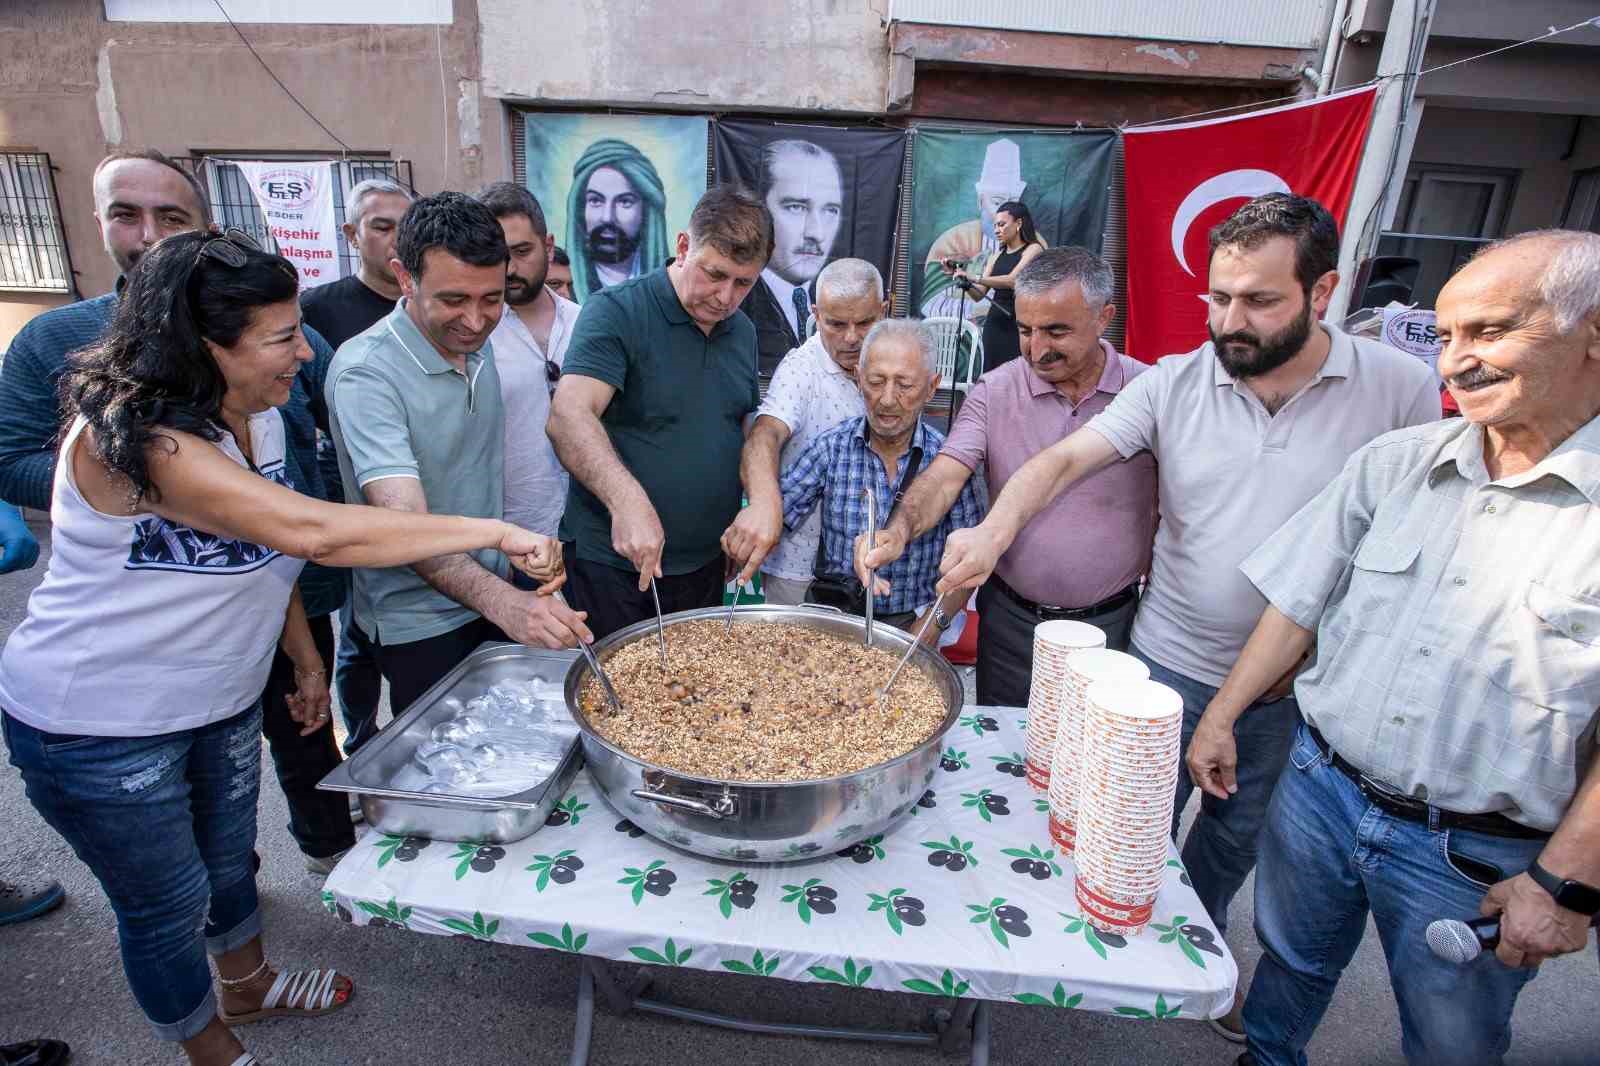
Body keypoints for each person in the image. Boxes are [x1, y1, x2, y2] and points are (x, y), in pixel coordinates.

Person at [0, 229, 566, 1066]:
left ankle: (248, 984)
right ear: (203, 346)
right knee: (164, 906)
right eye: (281, 338)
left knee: (229, 867)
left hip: (219, 697)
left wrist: (302, 654)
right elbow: (311, 530)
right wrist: (496, 531)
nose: (305, 352)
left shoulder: (254, 421)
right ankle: (209, 1049)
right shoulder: (139, 440)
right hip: (99, 721)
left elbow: (271, 554)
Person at [935, 193, 1440, 1040]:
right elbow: (1060, 461)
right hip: (1163, 659)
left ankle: (1185, 951)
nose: (1230, 321)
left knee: (1237, 832)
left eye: (1258, 301)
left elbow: (1400, 547)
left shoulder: (1400, 389)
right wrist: (992, 530)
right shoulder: (1179, 382)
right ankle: (1101, 957)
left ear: (1323, 294)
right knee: (1122, 814)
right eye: (1218, 298)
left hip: (1294, 686)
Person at [1193, 229, 1600, 1066]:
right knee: (1291, 964)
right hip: (1322, 790)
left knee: (1451, 1035)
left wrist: (1566, 884)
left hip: (1481, 850)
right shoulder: (1396, 465)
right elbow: (1296, 604)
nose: (1457, 362)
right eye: (1448, 337)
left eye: (1490, 332)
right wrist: (1223, 714)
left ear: (1591, 333)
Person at [0, 149, 357, 869]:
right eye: (128, 215)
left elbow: (301, 498)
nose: (150, 236)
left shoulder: (271, 379)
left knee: (284, 767)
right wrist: (146, 498)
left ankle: (310, 874)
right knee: (175, 879)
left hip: (271, 601)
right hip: (132, 675)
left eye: (172, 217)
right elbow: (11, 459)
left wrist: (307, 651)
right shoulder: (86, 377)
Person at [327, 192, 591, 715]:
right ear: (405, 278)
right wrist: (506, 602)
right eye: (453, 300)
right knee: (439, 771)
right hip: (419, 619)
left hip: (490, 588)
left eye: (491, 300)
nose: (474, 320)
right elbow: (406, 527)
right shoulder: (367, 374)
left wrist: (519, 558)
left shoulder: (477, 342)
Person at [859, 248, 1156, 705]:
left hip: (1110, 626)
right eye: (1024, 330)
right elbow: (944, 478)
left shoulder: (1149, 392)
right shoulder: (995, 390)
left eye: (1056, 331)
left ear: (1104, 318)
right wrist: (898, 530)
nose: (1037, 349)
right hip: (1011, 623)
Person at [548, 184, 771, 639]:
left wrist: (759, 502)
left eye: (744, 283)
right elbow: (568, 416)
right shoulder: (617, 311)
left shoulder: (742, 331)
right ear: (684, 246)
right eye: (715, 274)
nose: (726, 297)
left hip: (706, 567)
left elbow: (743, 426)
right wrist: (626, 500)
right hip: (616, 567)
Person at [300, 178, 414, 758]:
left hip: (412, 505)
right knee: (357, 634)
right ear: (351, 234)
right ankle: (362, 741)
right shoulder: (320, 310)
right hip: (346, 496)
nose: (393, 239)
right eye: (380, 226)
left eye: (403, 225)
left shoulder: (432, 312)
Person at [780, 319, 981, 637]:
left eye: (904, 385)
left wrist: (932, 625)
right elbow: (778, 514)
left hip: (912, 621)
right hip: (839, 615)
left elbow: (967, 562)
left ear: (931, 387)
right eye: (876, 381)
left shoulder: (948, 462)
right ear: (859, 380)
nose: (887, 399)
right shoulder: (832, 447)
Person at [722, 258, 884, 605]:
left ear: (885, 310)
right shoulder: (801, 369)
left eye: (865, 323)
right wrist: (763, 503)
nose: (851, 338)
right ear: (815, 314)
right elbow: (765, 434)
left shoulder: (893, 360)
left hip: (874, 563)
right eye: (836, 324)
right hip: (799, 569)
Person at [476, 182, 582, 542]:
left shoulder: (588, 323)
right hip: (508, 541)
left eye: (522, 251)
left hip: (593, 542)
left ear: (548, 246)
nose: (509, 269)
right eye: (497, 254)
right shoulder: (472, 335)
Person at [743, 139, 845, 375]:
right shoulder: (733, 305)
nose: (816, 233)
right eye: (796, 207)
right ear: (759, 211)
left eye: (831, 210)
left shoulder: (834, 303)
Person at [920, 137, 1027, 321]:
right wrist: (979, 305)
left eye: (1011, 206)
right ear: (980, 200)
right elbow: (931, 305)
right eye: (996, 202)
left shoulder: (1031, 247)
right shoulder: (953, 241)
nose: (1002, 214)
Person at [943, 200, 1042, 373]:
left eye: (1002, 224)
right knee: (992, 374)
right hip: (995, 324)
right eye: (995, 225)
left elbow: (1013, 281)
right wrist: (961, 278)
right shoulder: (995, 257)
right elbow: (979, 295)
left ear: (1019, 223)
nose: (997, 230)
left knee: (1017, 376)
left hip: (1020, 323)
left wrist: (974, 277)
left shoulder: (1033, 249)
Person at [566, 139, 669, 302]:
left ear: (645, 212)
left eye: (625, 202)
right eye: (595, 201)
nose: (607, 217)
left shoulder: (670, 293)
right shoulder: (564, 292)